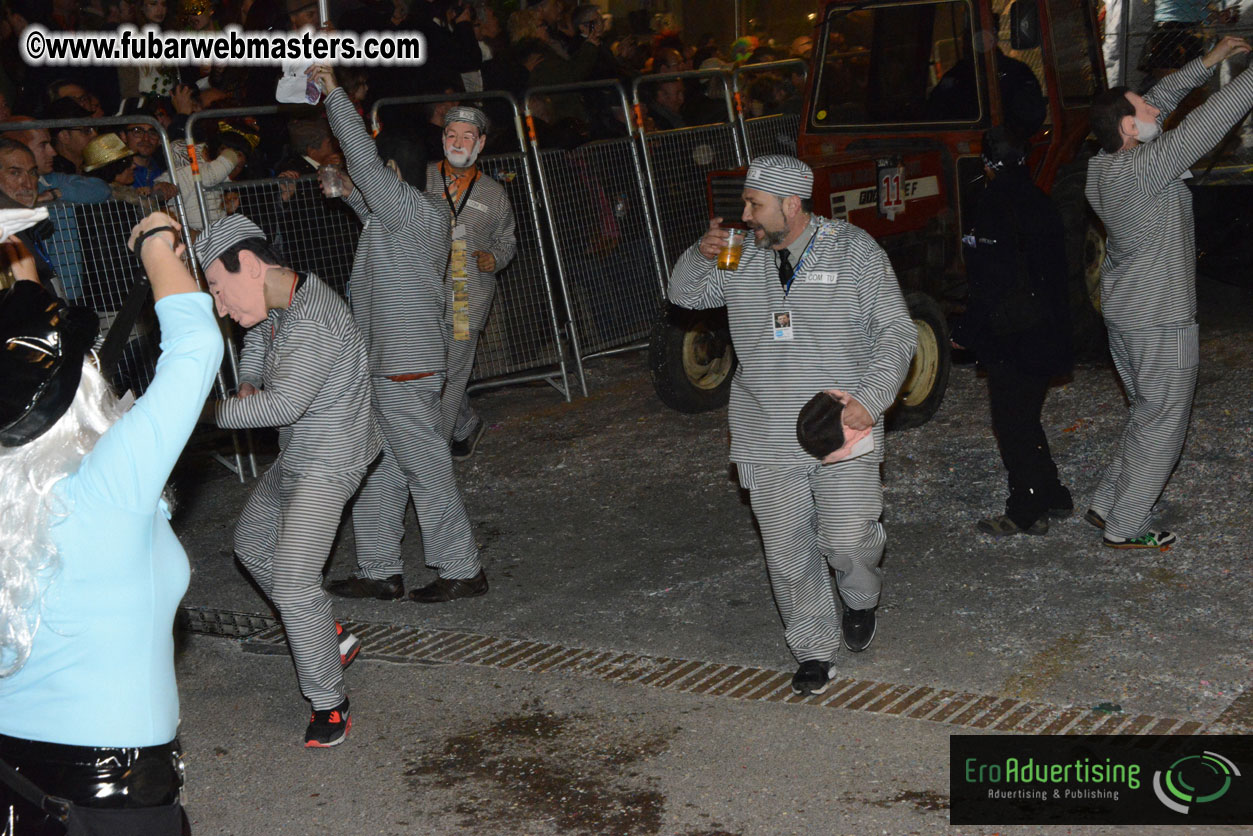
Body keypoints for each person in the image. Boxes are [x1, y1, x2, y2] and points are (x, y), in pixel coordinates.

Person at [0, 209, 222, 834]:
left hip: (14, 781)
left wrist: (22, 279)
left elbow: (25, 367)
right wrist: (157, 245)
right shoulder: (107, 485)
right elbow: (197, 348)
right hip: (113, 804)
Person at [668, 155, 915, 696]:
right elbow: (685, 297)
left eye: (756, 205)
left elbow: (898, 334)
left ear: (791, 204)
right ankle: (812, 648)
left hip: (841, 426)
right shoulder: (739, 258)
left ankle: (859, 596)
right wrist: (697, 254)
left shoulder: (853, 252)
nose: (746, 216)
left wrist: (870, 401)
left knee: (849, 542)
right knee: (786, 552)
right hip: (765, 428)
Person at [195, 214, 381, 747]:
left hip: (331, 460)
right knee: (251, 543)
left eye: (219, 290)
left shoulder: (314, 320)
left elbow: (285, 404)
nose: (221, 307)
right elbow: (257, 340)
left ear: (250, 266)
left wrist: (198, 413)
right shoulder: (280, 297)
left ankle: (330, 703)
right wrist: (249, 377)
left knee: (294, 582)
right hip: (300, 453)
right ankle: (331, 638)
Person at [310, 64, 488, 604]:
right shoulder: (413, 212)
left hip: (403, 363)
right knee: (382, 468)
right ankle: (379, 568)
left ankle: (463, 568)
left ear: (392, 170)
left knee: (426, 469)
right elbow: (373, 206)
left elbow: (360, 156)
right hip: (391, 361)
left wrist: (334, 90)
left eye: (376, 172)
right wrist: (344, 192)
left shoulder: (411, 210)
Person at [1084, 35, 1253, 549]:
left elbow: (1158, 99)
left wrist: (1208, 61)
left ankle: (1108, 501)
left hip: (1129, 314)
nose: (1156, 107)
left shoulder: (1103, 166)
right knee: (1164, 423)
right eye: (1143, 109)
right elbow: (1210, 122)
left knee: (1146, 412)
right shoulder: (1143, 170)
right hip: (1163, 319)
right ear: (1128, 128)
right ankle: (1126, 526)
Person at [953, 126, 1073, 536]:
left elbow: (993, 280)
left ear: (986, 164)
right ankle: (1053, 493)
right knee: (1026, 415)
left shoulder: (992, 204)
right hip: (1047, 326)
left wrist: (966, 330)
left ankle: (1025, 508)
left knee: (1012, 423)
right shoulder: (1041, 200)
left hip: (1014, 332)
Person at [427, 106, 516, 459]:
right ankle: (464, 425)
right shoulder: (423, 178)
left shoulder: (494, 194)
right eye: (452, 135)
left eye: (467, 136)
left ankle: (438, 446)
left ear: (480, 142)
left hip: (465, 291)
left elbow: (506, 240)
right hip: (424, 289)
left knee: (453, 373)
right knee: (432, 371)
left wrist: (495, 257)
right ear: (443, 139)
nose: (459, 143)